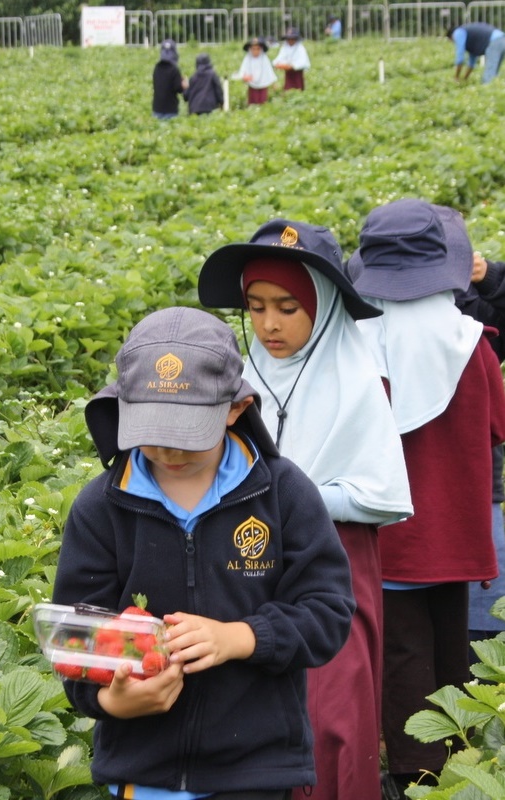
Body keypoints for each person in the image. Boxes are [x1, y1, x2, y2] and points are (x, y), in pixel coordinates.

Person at [52, 305, 356, 799]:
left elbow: (328, 612)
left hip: (255, 770)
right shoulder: (101, 507)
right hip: (141, 769)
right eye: (153, 434)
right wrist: (112, 701)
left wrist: (240, 637)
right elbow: (74, 635)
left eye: (187, 436)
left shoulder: (282, 494)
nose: (170, 452)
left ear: (235, 408)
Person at [198, 219, 414, 800]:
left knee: (333, 714)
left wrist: (290, 494)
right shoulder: (239, 381)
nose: (269, 324)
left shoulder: (357, 381)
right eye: (256, 305)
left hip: (333, 566)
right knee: (262, 707)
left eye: (289, 307)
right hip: (249, 561)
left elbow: (380, 496)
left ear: (321, 308)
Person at [347, 198, 505, 799]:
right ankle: (464, 763)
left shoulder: (359, 349)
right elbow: (495, 429)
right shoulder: (472, 343)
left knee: (403, 662)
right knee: (452, 657)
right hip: (457, 534)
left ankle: (417, 778)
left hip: (390, 541)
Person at [455, 252, 505, 650]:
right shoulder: (373, 309)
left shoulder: (479, 310)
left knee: (486, 627)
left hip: (477, 486)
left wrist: (491, 277)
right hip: (396, 495)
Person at [152, 39, 188, 119]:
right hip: (170, 109)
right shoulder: (174, 69)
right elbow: (178, 88)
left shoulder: (157, 68)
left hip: (157, 108)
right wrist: (184, 85)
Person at [237, 36, 278, 105]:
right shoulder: (247, 59)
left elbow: (269, 71)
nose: (255, 51)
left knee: (263, 103)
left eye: (258, 49)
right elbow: (242, 71)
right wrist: (245, 77)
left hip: (263, 85)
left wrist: (273, 84)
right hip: (252, 85)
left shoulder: (264, 59)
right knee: (252, 103)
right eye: (253, 49)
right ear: (250, 49)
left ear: (261, 49)